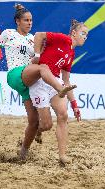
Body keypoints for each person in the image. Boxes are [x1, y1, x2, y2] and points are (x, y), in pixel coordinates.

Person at [0, 4, 75, 160]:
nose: (29, 23)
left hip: (29, 82)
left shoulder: (32, 39)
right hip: (15, 74)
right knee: (42, 68)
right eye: (26, 20)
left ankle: (22, 153)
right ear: (17, 21)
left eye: (31, 20)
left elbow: (39, 57)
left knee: (39, 124)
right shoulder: (9, 33)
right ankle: (59, 88)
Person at [28, 19, 88, 164]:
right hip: (40, 81)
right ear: (74, 33)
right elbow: (38, 35)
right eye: (83, 33)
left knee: (63, 115)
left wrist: (75, 105)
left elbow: (66, 81)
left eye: (87, 35)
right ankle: (38, 130)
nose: (85, 37)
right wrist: (37, 56)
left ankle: (62, 156)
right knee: (46, 125)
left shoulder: (71, 53)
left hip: (55, 83)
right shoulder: (63, 39)